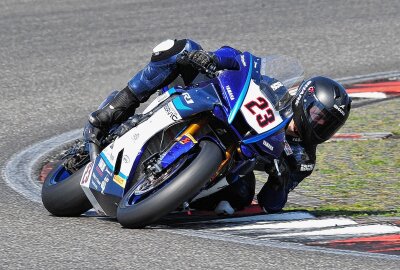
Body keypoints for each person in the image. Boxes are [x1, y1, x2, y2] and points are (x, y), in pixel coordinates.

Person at [84, 39, 351, 214]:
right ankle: (114, 111)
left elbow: (271, 203)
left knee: (240, 198)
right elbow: (242, 62)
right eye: (318, 115)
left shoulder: (303, 158)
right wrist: (214, 59)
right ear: (304, 99)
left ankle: (176, 193)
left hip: (231, 162)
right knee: (179, 48)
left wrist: (280, 181)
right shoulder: (277, 90)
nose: (320, 125)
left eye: (329, 125)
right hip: (214, 107)